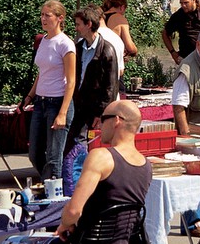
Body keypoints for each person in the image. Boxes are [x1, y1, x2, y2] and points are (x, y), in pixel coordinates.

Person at [54, 100, 152, 244]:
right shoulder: (146, 164)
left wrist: (64, 224)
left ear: (116, 120)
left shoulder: (100, 157)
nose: (99, 125)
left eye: (103, 119)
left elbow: (74, 211)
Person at [17, 0, 76, 182]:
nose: (43, 19)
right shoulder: (43, 40)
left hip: (57, 102)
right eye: (42, 15)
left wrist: (63, 112)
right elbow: (42, 73)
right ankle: (48, 183)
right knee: (34, 152)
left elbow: (71, 80)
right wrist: (29, 96)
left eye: (47, 15)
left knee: (53, 155)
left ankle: (54, 193)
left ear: (60, 18)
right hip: (40, 101)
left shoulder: (65, 44)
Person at [64, 5, 119, 194]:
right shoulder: (78, 47)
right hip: (78, 105)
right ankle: (77, 185)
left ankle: (80, 188)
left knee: (79, 146)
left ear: (89, 24)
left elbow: (111, 86)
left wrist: (101, 113)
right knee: (74, 146)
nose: (76, 27)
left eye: (79, 24)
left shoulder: (107, 50)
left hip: (93, 108)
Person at [102, 0, 139, 77]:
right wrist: (134, 52)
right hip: (113, 63)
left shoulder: (100, 17)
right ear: (122, 7)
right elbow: (130, 47)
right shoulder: (119, 18)